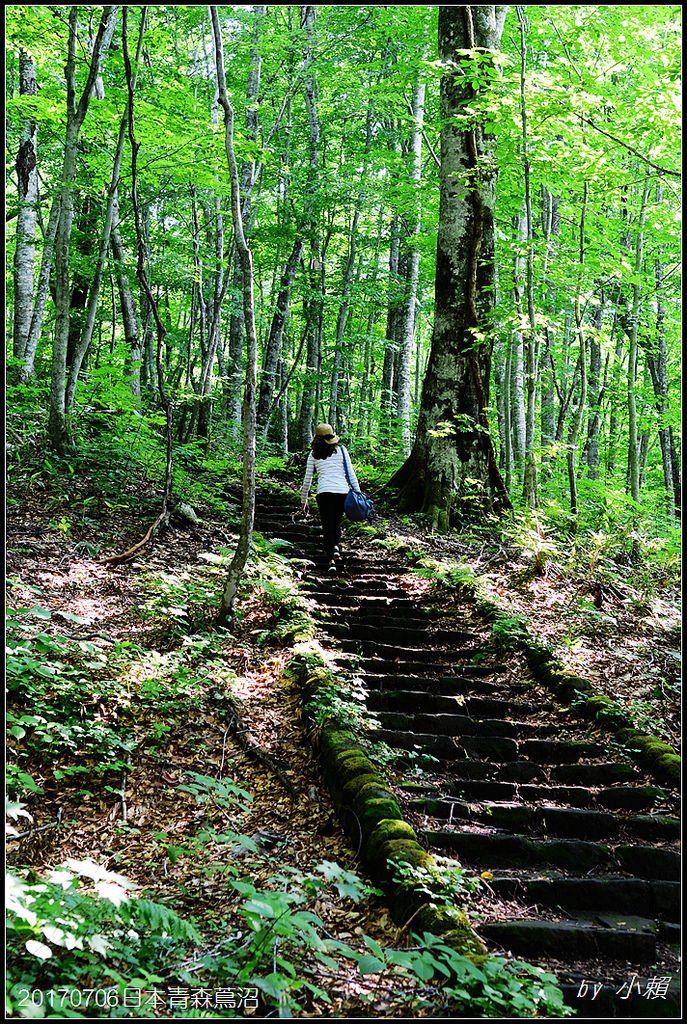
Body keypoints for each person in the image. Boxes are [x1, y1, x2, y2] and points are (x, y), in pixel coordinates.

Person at [300, 423, 360, 572]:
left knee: (327, 525)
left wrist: (303, 500)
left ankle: (331, 560)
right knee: (336, 522)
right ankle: (336, 548)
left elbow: (307, 479)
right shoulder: (342, 451)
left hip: (324, 493)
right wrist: (358, 492)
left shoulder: (313, 454)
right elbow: (350, 474)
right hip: (342, 492)